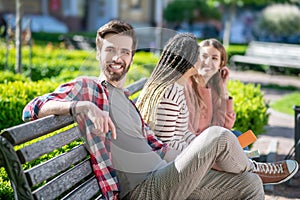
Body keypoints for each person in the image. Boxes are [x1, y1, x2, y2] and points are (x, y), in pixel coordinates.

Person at [22, 20, 298, 200]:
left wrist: (202, 159)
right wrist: (78, 106)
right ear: (98, 51)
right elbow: (31, 109)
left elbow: (160, 146)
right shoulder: (90, 89)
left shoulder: (125, 98)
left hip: (164, 174)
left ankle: (251, 169)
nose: (118, 58)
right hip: (142, 191)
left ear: (132, 56)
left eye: (125, 52)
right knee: (219, 136)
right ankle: (257, 166)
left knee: (248, 184)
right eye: (110, 50)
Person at [184, 38, 248, 149]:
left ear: (221, 64)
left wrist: (223, 89)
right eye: (204, 57)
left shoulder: (213, 87)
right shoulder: (187, 84)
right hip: (194, 145)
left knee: (238, 135)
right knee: (237, 142)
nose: (208, 62)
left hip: (211, 140)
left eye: (214, 58)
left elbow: (226, 125)